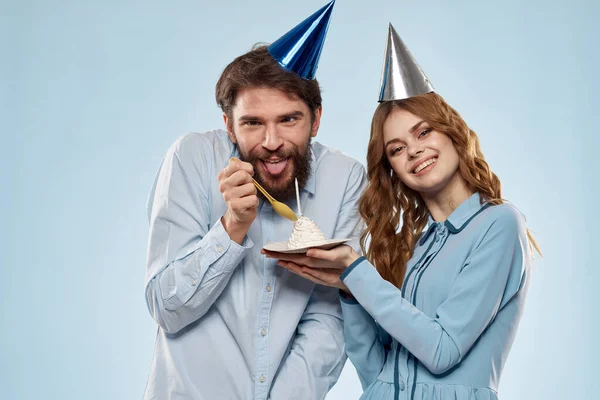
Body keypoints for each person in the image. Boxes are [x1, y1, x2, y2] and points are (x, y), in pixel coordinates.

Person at [265, 24, 541, 400]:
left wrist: (355, 270)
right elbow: (377, 373)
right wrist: (349, 290)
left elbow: (442, 352)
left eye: (424, 132)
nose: (413, 150)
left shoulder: (499, 224)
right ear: (391, 168)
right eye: (396, 149)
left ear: (452, 133)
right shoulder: (417, 248)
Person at [143, 2, 367, 399]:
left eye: (289, 119)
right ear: (229, 124)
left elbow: (329, 318)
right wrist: (232, 228)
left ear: (316, 119)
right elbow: (167, 308)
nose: (271, 142)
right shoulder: (191, 158)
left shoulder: (345, 178)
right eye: (252, 123)